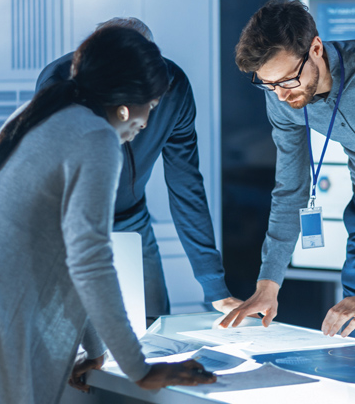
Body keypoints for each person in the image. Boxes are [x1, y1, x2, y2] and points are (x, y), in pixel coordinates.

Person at [0, 26, 215, 404]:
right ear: (126, 104)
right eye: (152, 107)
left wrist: (95, 353)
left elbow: (69, 259)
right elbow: (90, 265)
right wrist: (139, 369)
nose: (145, 124)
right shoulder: (97, 139)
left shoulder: (40, 114)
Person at [219, 0, 355, 346]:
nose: (280, 95)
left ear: (316, 49)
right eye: (268, 85)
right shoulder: (280, 93)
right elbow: (290, 187)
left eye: (288, 80)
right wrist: (268, 283)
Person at [36, 18, 240, 324]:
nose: (145, 124)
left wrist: (214, 286)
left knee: (154, 324)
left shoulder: (173, 87)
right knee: (68, 327)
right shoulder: (62, 85)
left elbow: (186, 186)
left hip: (132, 218)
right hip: (63, 220)